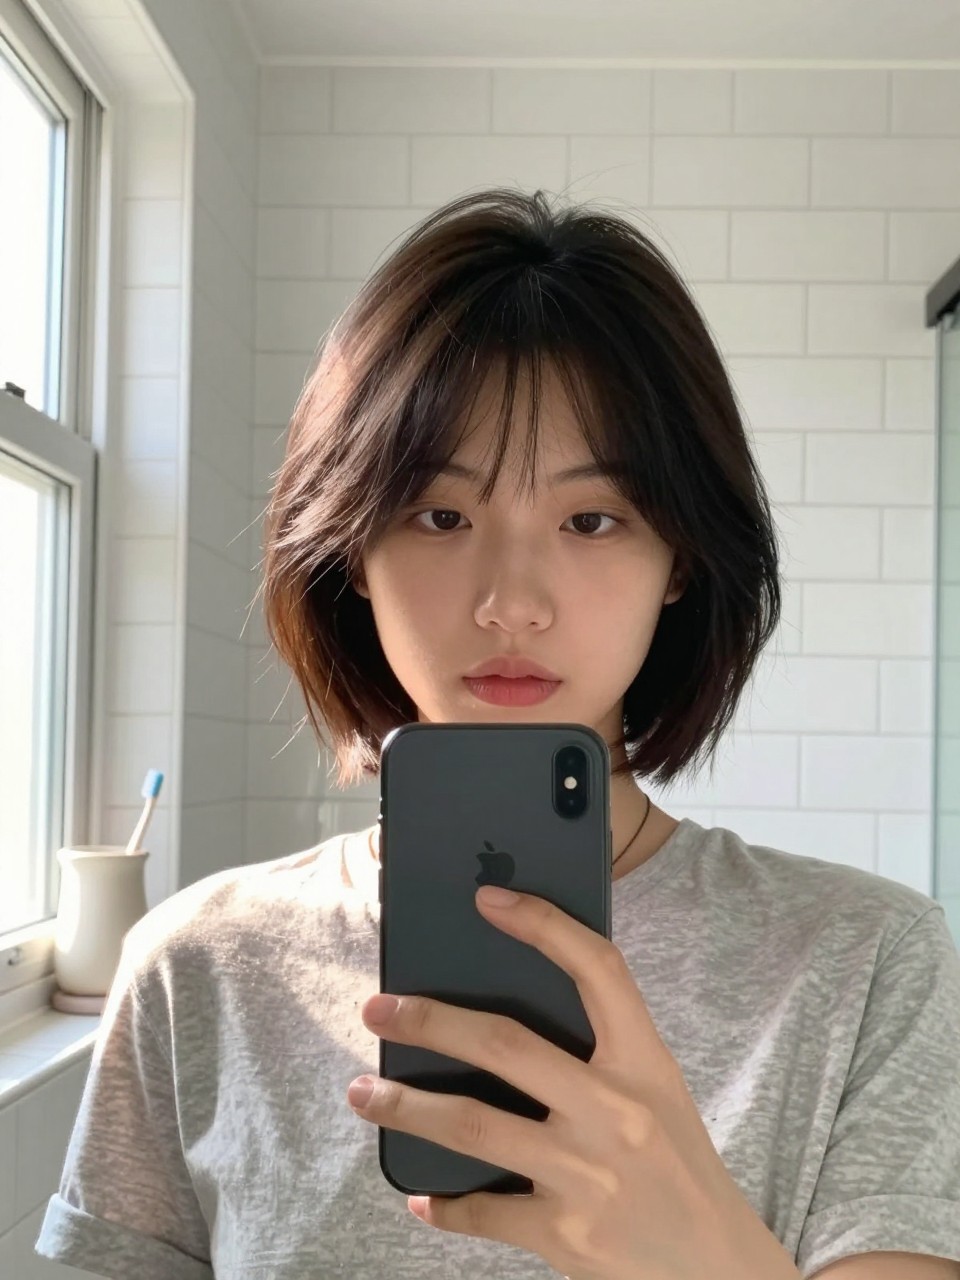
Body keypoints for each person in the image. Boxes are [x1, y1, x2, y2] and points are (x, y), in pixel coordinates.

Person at [35, 188, 960, 1280]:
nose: (510, 603)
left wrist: (707, 1255)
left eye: (590, 518)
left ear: (683, 561)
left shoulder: (872, 964)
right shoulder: (195, 965)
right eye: (441, 516)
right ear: (351, 554)